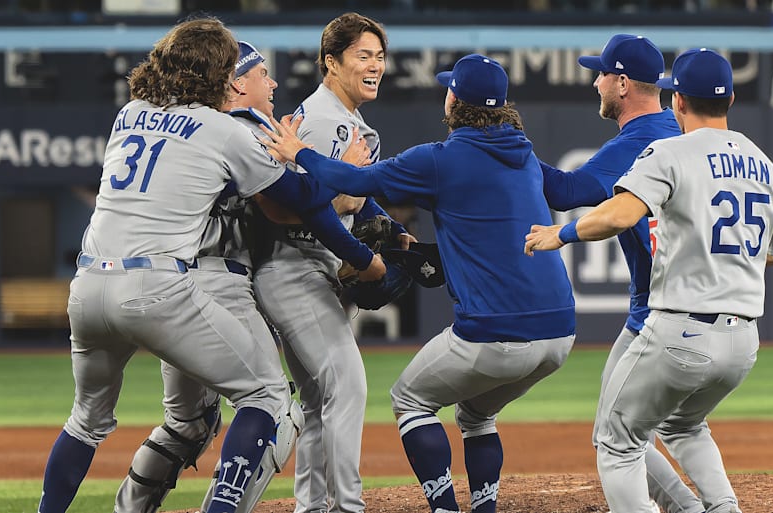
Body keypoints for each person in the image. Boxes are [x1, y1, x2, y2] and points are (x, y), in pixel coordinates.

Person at [37, 19, 382, 513]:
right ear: (227, 79)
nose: (274, 83)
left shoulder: (130, 112)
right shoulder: (227, 130)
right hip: (171, 286)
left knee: (94, 421)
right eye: (259, 72)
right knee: (267, 399)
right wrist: (344, 170)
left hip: (89, 282)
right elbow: (300, 198)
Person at [262, 52, 577, 513]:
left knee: (409, 401)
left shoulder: (439, 158)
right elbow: (577, 190)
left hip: (495, 332)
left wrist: (298, 153)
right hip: (561, 335)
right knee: (476, 413)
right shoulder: (524, 155)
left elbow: (354, 179)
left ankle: (446, 509)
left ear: (455, 100)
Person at [525, 47, 773, 513]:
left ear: (676, 101)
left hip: (679, 328)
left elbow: (620, 214)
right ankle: (719, 508)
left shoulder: (668, 152)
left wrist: (561, 234)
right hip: (743, 341)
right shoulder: (766, 166)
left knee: (616, 440)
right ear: (730, 99)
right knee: (685, 425)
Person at [247, 12, 411, 513]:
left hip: (313, 266)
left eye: (380, 56)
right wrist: (364, 256)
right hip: (293, 263)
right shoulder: (318, 122)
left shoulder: (351, 124)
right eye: (363, 55)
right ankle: (346, 506)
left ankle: (313, 506)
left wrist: (395, 231)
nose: (376, 65)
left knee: (320, 402)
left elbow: (353, 199)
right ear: (330, 63)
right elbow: (303, 206)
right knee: (348, 384)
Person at [545, 33, 703, 513]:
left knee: (615, 436)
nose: (595, 83)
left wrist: (500, 147)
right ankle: (693, 507)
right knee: (622, 431)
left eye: (600, 74)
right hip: (679, 303)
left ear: (621, 83)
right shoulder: (674, 131)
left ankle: (693, 507)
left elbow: (567, 191)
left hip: (659, 311)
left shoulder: (643, 138)